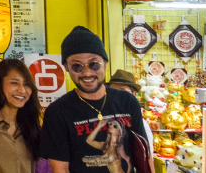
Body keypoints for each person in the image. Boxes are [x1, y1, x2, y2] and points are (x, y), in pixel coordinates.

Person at [41, 26, 148, 173]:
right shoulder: (57, 112)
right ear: (66, 67)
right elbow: (61, 169)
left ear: (105, 63)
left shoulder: (128, 102)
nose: (87, 72)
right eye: (77, 66)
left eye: (94, 64)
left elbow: (144, 157)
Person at [108, 69, 154, 150]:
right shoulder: (107, 119)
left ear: (134, 94)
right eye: (113, 91)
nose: (117, 96)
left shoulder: (139, 123)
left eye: (122, 92)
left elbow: (145, 153)